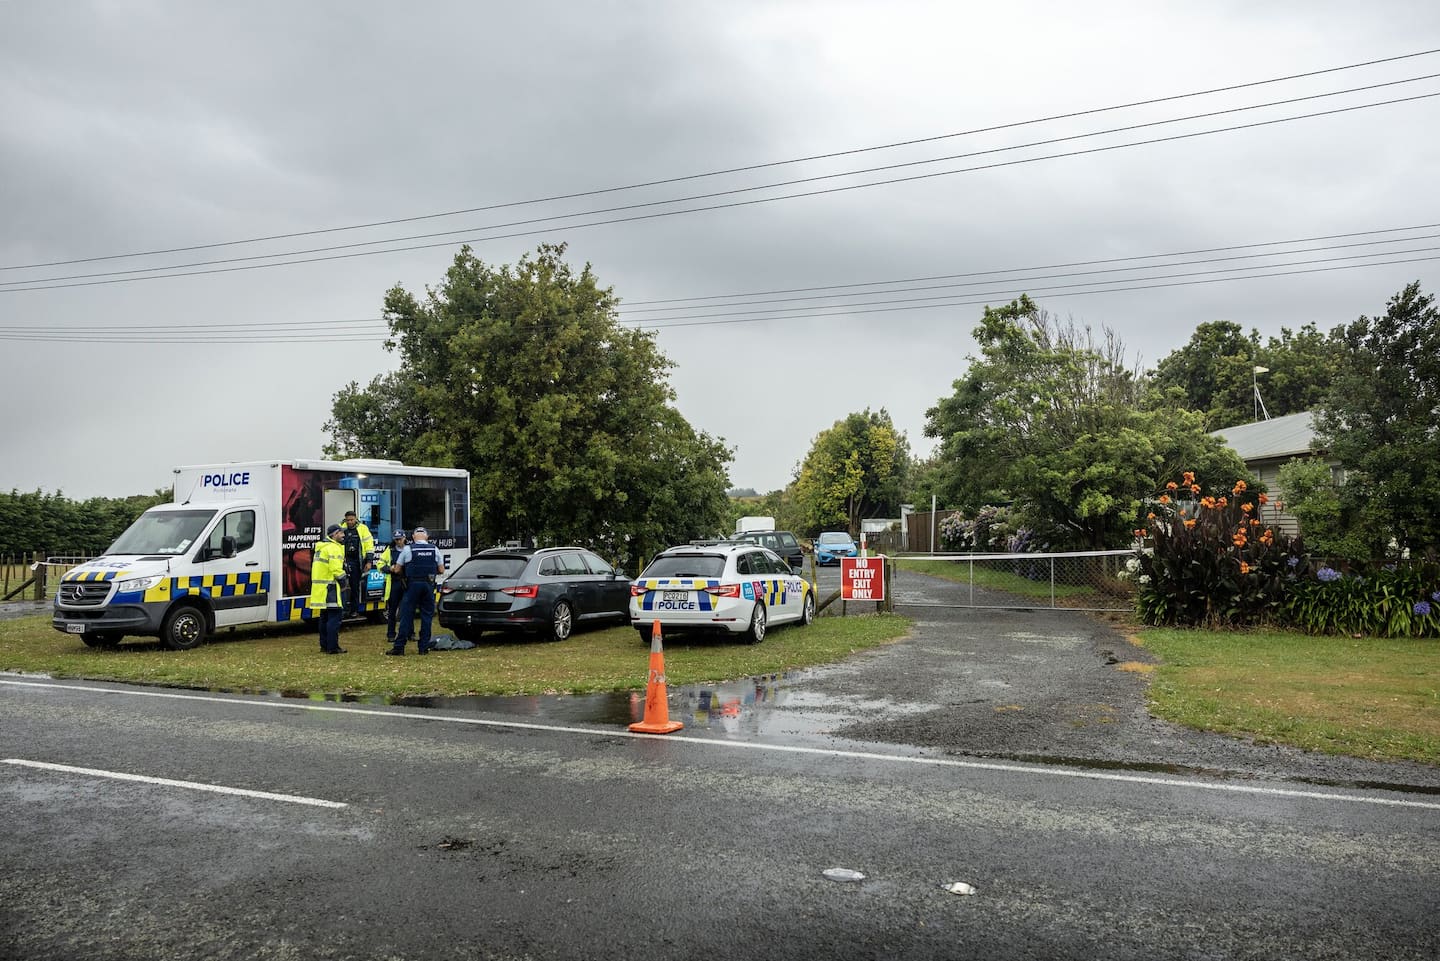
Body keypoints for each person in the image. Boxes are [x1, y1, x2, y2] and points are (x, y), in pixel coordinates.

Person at [387, 526, 445, 656]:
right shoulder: (434, 549)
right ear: (427, 537)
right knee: (427, 617)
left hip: (412, 585)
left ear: (413, 537)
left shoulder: (408, 549)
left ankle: (399, 647)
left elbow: (396, 569)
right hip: (428, 586)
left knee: (406, 615)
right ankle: (423, 648)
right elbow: (441, 570)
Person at [308, 524, 348, 654]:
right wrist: (344, 582)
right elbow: (336, 569)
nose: (343, 536)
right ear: (334, 534)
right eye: (341, 533)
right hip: (331, 587)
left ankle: (324, 645)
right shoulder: (333, 548)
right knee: (334, 618)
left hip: (321, 589)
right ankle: (333, 647)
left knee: (324, 618)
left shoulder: (321, 547)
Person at [339, 509, 375, 617]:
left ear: (355, 519)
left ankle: (354, 610)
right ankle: (343, 610)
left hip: (357, 562)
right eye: (348, 520)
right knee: (343, 586)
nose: (349, 522)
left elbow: (369, 546)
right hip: (343, 562)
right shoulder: (340, 528)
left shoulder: (363, 529)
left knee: (355, 587)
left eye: (351, 520)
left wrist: (369, 562)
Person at [377, 528, 409, 647]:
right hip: (394, 582)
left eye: (400, 539)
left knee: (407, 609)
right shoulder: (389, 550)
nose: (398, 542)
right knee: (392, 611)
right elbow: (380, 564)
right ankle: (391, 634)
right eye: (396, 540)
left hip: (407, 582)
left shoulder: (409, 549)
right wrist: (389, 569)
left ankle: (409, 633)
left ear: (404, 538)